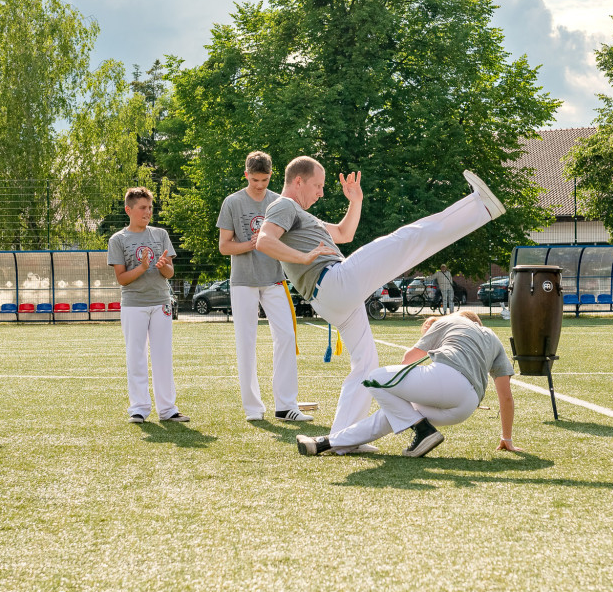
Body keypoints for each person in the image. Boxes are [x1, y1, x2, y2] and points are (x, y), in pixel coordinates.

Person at [256, 157, 504, 453]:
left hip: (333, 296)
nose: (321, 192)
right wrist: (303, 258)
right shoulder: (283, 206)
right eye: (318, 186)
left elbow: (344, 234)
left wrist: (355, 201)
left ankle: (345, 440)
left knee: (366, 364)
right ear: (298, 181)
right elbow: (263, 241)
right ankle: (481, 206)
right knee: (409, 238)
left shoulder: (303, 216)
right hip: (334, 282)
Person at [295, 311, 522, 457]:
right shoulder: (493, 338)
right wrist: (506, 438)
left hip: (447, 379)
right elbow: (506, 396)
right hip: (465, 406)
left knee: (374, 378)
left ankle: (423, 431)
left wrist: (397, 391)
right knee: (388, 417)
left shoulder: (452, 320)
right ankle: (324, 443)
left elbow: (408, 359)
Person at [216, 151, 311, 423]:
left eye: (265, 179)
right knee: (246, 344)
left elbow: (291, 241)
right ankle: (253, 409)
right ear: (246, 174)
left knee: (287, 337)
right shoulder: (232, 202)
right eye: (255, 179)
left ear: (272, 175)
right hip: (243, 281)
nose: (260, 184)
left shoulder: (280, 202)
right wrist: (253, 244)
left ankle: (286, 406)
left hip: (274, 279)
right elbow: (224, 247)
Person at [107, 187, 188, 424]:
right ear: (128, 210)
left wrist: (163, 266)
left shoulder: (160, 234)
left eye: (150, 207)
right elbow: (121, 279)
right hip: (134, 305)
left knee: (163, 356)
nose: (148, 212)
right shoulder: (118, 239)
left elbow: (169, 272)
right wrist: (142, 268)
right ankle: (139, 409)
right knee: (136, 357)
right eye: (142, 208)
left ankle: (168, 410)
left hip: (160, 302)